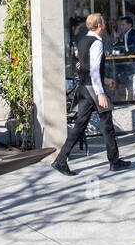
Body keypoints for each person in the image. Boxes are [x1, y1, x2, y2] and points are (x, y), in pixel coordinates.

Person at [53, 13, 130, 176]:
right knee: (107, 125)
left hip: (84, 88)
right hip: (94, 89)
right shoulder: (96, 43)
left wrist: (106, 79)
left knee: (80, 125)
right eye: (103, 23)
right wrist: (101, 92)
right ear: (100, 26)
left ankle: (61, 159)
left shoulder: (82, 41)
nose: (105, 26)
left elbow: (83, 66)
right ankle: (114, 161)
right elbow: (94, 69)